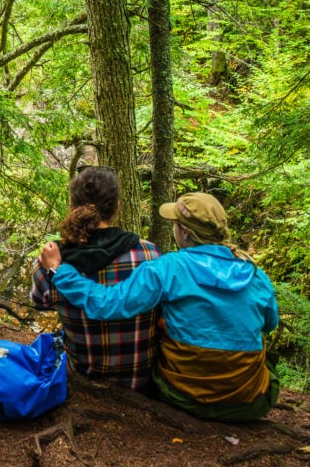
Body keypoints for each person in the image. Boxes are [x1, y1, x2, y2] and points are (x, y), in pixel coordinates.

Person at [40, 192, 279, 422]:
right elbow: (269, 323)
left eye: (175, 223)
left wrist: (59, 271)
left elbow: (106, 304)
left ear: (184, 232)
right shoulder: (255, 274)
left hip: (183, 396)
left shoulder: (168, 267)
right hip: (252, 401)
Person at [31, 166, 161, 391]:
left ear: (72, 205)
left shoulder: (51, 260)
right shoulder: (150, 254)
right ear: (117, 206)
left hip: (82, 378)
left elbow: (40, 303)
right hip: (140, 381)